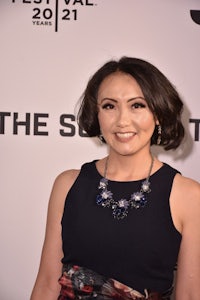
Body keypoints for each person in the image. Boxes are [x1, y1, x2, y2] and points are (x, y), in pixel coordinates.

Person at [30, 57, 200, 300]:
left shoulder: (188, 195)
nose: (122, 121)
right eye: (109, 106)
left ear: (158, 113)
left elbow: (191, 295)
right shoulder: (67, 185)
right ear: (96, 114)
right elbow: (47, 284)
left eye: (137, 105)